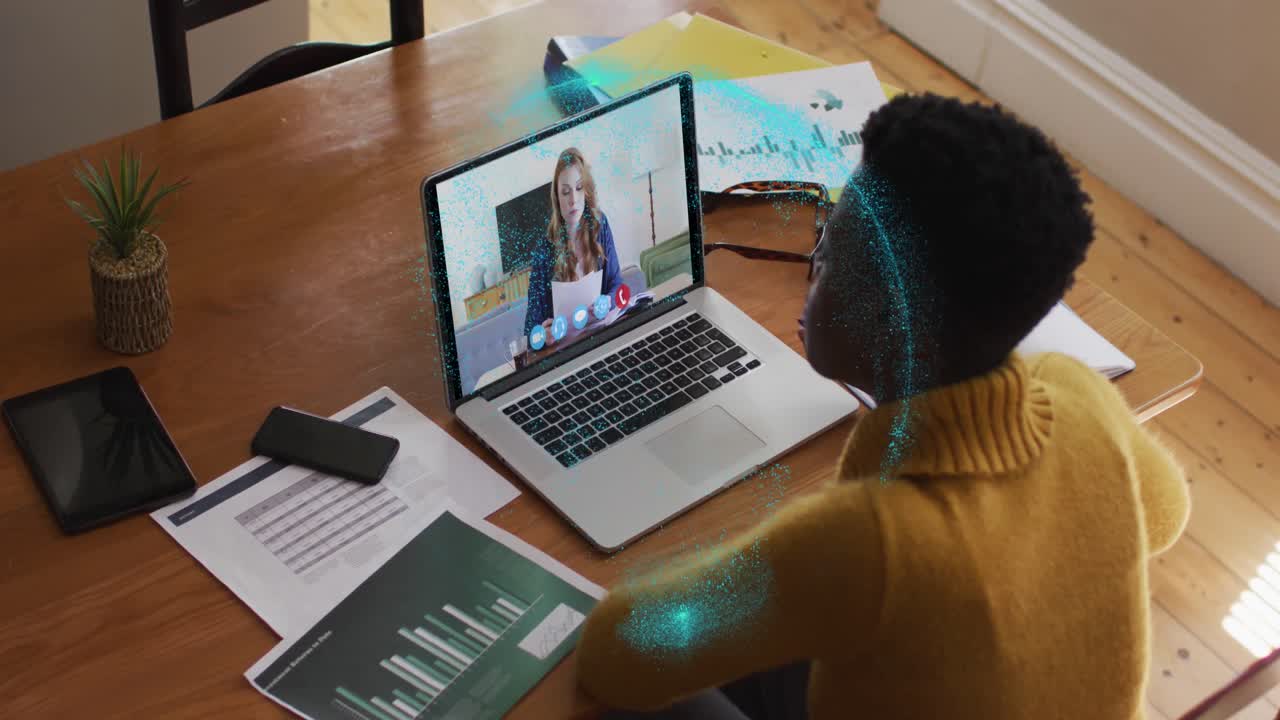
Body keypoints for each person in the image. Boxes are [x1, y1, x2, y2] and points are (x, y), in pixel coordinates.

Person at [575, 93, 1190, 719]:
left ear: (885, 315)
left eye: (828, 252)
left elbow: (616, 652)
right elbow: (1166, 513)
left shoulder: (869, 546)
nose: (814, 265)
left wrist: (779, 556)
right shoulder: (1079, 394)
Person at [523, 147, 623, 347]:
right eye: (566, 192)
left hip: (603, 339)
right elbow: (530, 331)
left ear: (586, 191)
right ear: (557, 198)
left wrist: (608, 301)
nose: (573, 200)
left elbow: (617, 284)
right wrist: (542, 335)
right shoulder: (544, 249)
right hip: (566, 351)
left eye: (578, 188)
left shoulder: (600, 225)